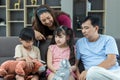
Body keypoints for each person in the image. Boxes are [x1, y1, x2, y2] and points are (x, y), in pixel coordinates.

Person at [75, 16, 120, 80]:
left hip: (113, 72)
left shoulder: (108, 39)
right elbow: (75, 64)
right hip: (94, 75)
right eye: (82, 28)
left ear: (96, 28)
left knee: (92, 71)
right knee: (92, 73)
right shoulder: (79, 43)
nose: (83, 31)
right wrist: (78, 75)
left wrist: (90, 70)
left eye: (86, 28)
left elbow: (111, 61)